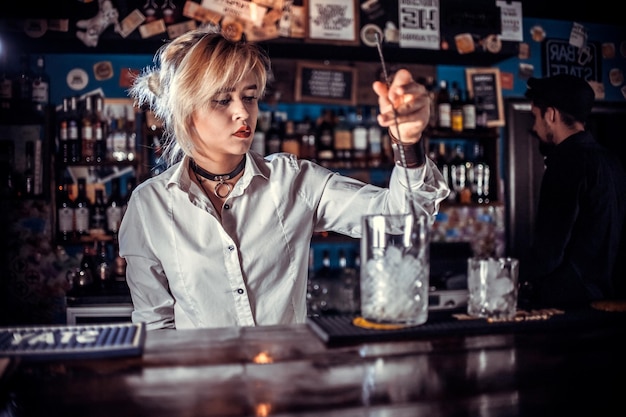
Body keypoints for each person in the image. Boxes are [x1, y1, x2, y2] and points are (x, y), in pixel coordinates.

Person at [120, 27, 449, 330]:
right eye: (222, 99)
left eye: (249, 97)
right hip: (203, 387)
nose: (243, 112)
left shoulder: (295, 182)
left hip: (289, 381)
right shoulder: (151, 205)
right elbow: (155, 325)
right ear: (185, 110)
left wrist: (408, 143)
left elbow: (402, 220)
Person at [521, 74, 626, 309]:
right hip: (612, 302)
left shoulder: (566, 163)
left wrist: (512, 278)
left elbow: (550, 250)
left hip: (570, 305)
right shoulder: (612, 162)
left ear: (551, 115)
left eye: (535, 117)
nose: (535, 127)